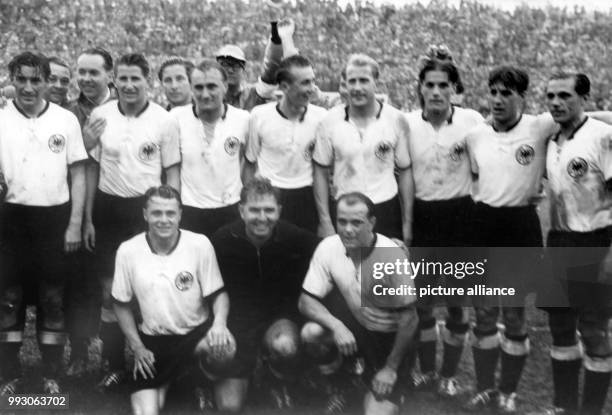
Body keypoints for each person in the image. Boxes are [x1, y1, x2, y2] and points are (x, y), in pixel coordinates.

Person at [85, 53, 181, 390]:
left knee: (152, 288)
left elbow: (171, 171)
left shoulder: (163, 120)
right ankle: (113, 365)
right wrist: (87, 219)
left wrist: (171, 215)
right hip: (109, 210)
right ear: (115, 80)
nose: (127, 85)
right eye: (122, 79)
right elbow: (92, 168)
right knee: (111, 292)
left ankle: (154, 364)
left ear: (147, 80)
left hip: (147, 210)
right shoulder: (101, 115)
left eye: (134, 79)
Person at [464, 66, 557, 412]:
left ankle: (509, 391)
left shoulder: (539, 126)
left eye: (507, 93)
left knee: (515, 314)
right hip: (484, 224)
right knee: (484, 314)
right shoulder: (475, 135)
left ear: (523, 97)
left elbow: (592, 117)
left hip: (519, 226)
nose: (498, 100)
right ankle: (485, 387)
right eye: (494, 92)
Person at [0, 52, 87, 394]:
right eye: (20, 79)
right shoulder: (1, 119)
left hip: (54, 218)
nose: (28, 87)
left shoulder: (65, 120)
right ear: (11, 80)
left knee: (53, 298)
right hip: (10, 219)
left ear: (48, 82)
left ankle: (52, 372)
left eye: (36, 80)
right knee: (8, 297)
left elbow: (78, 173)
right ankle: (9, 373)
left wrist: (75, 224)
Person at [112, 185, 235, 415]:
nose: (164, 220)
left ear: (180, 214)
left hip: (195, 335)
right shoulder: (128, 251)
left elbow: (219, 293)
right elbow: (120, 304)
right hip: (154, 343)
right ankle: (180, 383)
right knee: (146, 413)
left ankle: (201, 380)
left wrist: (219, 324)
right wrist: (137, 346)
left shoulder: (199, 244)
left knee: (225, 349)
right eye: (157, 213)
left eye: (170, 213)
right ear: (145, 215)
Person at [404, 47, 483, 397]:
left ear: (454, 88)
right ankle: (425, 371)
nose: (436, 92)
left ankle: (449, 374)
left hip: (459, 217)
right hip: (422, 217)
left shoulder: (471, 122)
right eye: (430, 85)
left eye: (443, 85)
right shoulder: (405, 123)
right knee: (421, 303)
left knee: (455, 302)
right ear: (420, 87)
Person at [299, 192, 418, 415]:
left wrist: (391, 368)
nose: (348, 229)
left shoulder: (391, 256)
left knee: (375, 413)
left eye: (357, 222)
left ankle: (396, 375)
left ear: (372, 223)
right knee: (311, 333)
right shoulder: (328, 247)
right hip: (355, 330)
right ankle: (341, 385)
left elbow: (410, 319)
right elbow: (305, 302)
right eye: (342, 221)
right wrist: (336, 326)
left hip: (388, 341)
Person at [209, 177, 319, 411]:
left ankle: (275, 377)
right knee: (229, 408)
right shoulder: (222, 239)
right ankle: (235, 374)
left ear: (279, 211)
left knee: (286, 347)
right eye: (254, 210)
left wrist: (387, 248)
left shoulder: (294, 236)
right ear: (241, 210)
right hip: (238, 322)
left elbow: (336, 250)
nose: (262, 217)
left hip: (278, 319)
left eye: (269, 210)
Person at [539, 72, 612, 415]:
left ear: (583, 97)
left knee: (595, 330)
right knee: (561, 328)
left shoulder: (603, 137)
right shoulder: (552, 139)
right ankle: (563, 406)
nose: (556, 102)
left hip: (596, 241)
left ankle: (591, 411)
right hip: (559, 242)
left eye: (564, 95)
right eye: (551, 96)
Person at [313, 54, 413, 243]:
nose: (357, 88)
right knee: (347, 269)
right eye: (352, 81)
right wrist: (325, 220)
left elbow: (405, 171)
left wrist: (407, 223)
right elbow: (320, 171)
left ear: (376, 83)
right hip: (345, 211)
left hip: (385, 209)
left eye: (364, 81)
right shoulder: (329, 122)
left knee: (385, 270)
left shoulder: (396, 119)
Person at [65, 46, 115, 377]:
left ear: (109, 74)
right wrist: (82, 142)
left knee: (115, 287)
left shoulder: (122, 107)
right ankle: (79, 352)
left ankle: (112, 357)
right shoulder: (68, 112)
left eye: (93, 72)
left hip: (117, 207)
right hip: (79, 206)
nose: (86, 78)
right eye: (81, 72)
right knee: (79, 284)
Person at [244, 55, 327, 232]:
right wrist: (249, 201)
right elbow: (249, 164)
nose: (312, 89)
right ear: (284, 87)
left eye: (312, 82)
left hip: (306, 196)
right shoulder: (259, 116)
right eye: (305, 83)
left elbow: (322, 169)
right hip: (269, 195)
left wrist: (324, 219)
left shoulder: (321, 118)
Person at [172, 59, 249, 237]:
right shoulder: (176, 119)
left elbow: (250, 165)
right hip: (190, 211)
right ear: (191, 89)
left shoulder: (243, 119)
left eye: (212, 86)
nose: (205, 94)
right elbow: (172, 169)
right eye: (199, 87)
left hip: (231, 209)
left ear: (225, 86)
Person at [216, 18, 297, 111]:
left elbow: (271, 69)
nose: (230, 70)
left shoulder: (254, 94)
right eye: (225, 65)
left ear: (243, 69)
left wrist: (276, 40)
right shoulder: (206, 95)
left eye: (235, 65)